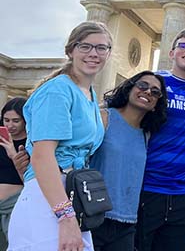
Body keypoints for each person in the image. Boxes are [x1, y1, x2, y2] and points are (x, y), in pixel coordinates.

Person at [8, 21, 111, 251]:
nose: (94, 53)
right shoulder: (57, 90)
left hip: (72, 196)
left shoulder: (89, 94)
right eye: (85, 46)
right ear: (70, 50)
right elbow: (43, 157)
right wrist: (65, 216)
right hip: (50, 200)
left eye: (101, 48)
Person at [135, 28, 185, 251]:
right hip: (148, 186)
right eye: (184, 46)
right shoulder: (156, 84)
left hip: (181, 191)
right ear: (172, 52)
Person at [90, 71, 168, 250]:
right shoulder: (104, 118)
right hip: (93, 216)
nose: (148, 92)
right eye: (142, 85)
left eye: (155, 92)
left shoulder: (146, 135)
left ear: (157, 104)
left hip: (126, 222)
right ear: (129, 88)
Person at [0, 97, 27, 250]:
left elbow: (30, 180)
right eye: (6, 120)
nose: (10, 125)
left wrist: (13, 155)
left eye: (16, 121)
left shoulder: (31, 144)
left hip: (14, 206)